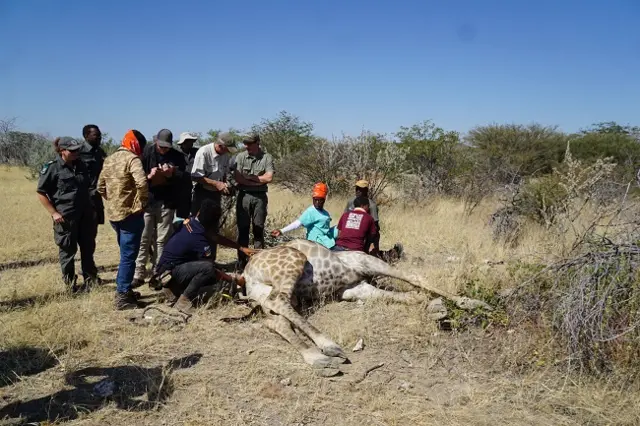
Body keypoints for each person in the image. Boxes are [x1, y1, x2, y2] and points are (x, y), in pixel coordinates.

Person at [154, 199, 258, 315]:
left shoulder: (191, 221)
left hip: (164, 269)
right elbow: (211, 269)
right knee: (208, 269)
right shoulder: (199, 240)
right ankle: (183, 301)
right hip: (171, 272)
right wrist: (232, 279)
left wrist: (241, 248)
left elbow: (215, 237)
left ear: (199, 212)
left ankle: (172, 289)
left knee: (206, 267)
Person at [36, 137, 97, 292]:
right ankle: (70, 285)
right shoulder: (52, 168)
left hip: (85, 215)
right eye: (72, 151)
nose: (76, 153)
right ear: (62, 151)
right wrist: (54, 213)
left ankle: (90, 280)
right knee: (67, 251)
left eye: (78, 150)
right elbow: (41, 193)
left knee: (88, 248)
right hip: (66, 217)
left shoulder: (81, 164)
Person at [97, 129, 149, 310]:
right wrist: (141, 204)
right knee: (128, 257)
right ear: (135, 144)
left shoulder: (109, 159)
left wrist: (113, 202)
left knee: (125, 255)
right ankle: (122, 297)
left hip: (114, 215)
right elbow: (142, 183)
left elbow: (100, 187)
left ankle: (125, 290)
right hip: (130, 215)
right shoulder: (132, 159)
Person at [133, 129, 187, 290]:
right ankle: (138, 273)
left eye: (167, 147)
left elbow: (184, 177)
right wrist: (150, 175)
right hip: (148, 201)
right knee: (144, 238)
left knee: (163, 239)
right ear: (156, 141)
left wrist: (172, 173)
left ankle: (158, 273)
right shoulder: (146, 153)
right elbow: (137, 177)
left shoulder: (177, 156)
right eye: (161, 146)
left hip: (167, 202)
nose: (164, 149)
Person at [189, 132, 237, 261]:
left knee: (213, 228)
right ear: (220, 145)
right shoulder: (203, 152)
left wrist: (226, 186)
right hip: (202, 193)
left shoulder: (225, 155)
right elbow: (195, 176)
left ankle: (211, 261)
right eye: (226, 148)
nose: (227, 152)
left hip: (215, 194)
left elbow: (225, 174)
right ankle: (195, 260)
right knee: (198, 226)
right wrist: (216, 184)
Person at [231, 134, 275, 269]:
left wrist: (250, 178)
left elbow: (269, 178)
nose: (246, 146)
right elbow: (238, 178)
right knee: (243, 230)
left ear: (257, 143)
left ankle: (258, 261)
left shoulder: (267, 157)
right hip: (243, 196)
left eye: (249, 143)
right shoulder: (240, 157)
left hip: (260, 198)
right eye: (245, 143)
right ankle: (241, 261)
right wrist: (257, 180)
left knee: (258, 229)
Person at [77, 124, 107, 286]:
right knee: (81, 241)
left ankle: (89, 274)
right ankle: (84, 276)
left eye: (100, 135)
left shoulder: (100, 152)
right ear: (86, 135)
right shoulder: (78, 153)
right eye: (96, 135)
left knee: (90, 240)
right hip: (80, 202)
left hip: (95, 201)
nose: (99, 137)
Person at [270, 182, 336, 249]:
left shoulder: (325, 213)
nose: (317, 202)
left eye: (320, 200)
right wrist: (281, 231)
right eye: (315, 200)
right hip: (316, 243)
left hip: (325, 240)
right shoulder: (311, 211)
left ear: (324, 200)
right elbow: (297, 223)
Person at [344, 180, 380, 252]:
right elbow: (345, 218)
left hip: (367, 234)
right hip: (351, 231)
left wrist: (371, 241)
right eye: (357, 189)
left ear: (366, 190)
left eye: (360, 189)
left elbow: (375, 225)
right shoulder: (351, 202)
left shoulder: (371, 205)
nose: (358, 191)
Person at [175, 132, 200, 221]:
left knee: (195, 214)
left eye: (192, 141)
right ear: (183, 142)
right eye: (188, 141)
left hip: (196, 186)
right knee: (181, 215)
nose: (191, 143)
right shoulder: (176, 154)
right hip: (181, 188)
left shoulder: (197, 152)